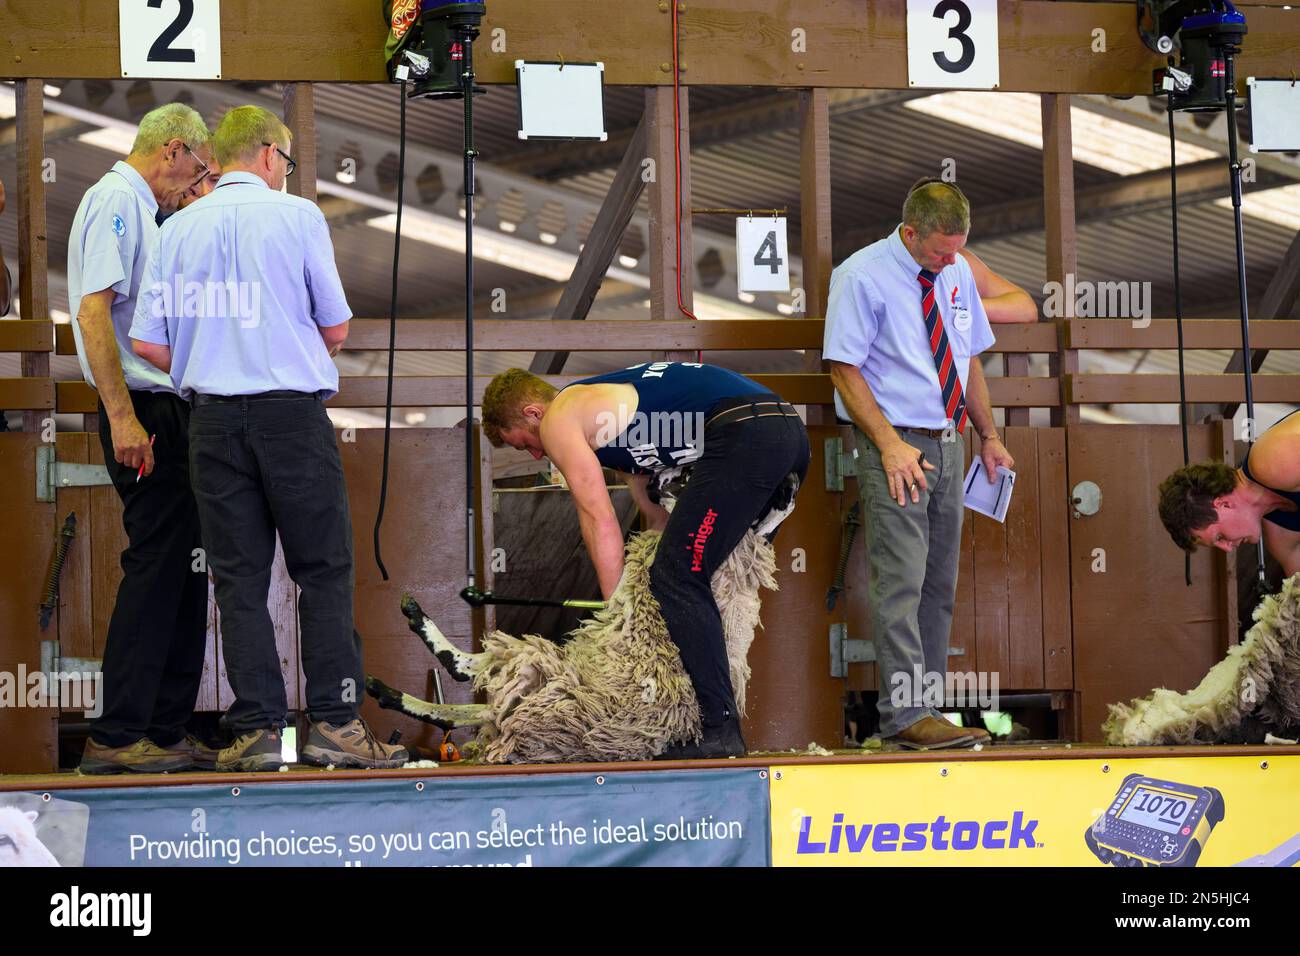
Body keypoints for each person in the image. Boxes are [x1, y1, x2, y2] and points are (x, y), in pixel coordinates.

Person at [130, 105, 406, 772]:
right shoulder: (299, 216)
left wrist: (210, 359)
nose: (285, 170)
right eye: (284, 160)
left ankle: (257, 732)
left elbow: (145, 342)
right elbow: (336, 330)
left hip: (213, 421)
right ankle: (336, 726)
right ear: (268, 155)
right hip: (289, 415)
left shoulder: (176, 228)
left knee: (239, 581)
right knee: (323, 571)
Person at [482, 361, 810, 758]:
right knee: (696, 576)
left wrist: (618, 615)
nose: (537, 454)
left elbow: (598, 518)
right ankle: (691, 717)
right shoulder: (615, 424)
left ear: (533, 414)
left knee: (676, 577)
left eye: (525, 443)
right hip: (784, 434)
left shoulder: (561, 418)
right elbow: (657, 520)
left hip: (746, 435)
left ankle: (721, 728)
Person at [824, 178, 1013, 751]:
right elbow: (843, 368)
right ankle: (903, 716)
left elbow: (968, 357)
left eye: (958, 248)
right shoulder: (860, 275)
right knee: (901, 582)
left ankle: (926, 708)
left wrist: (988, 433)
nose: (952, 260)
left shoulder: (955, 272)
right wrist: (886, 443)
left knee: (939, 585)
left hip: (949, 438)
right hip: (898, 442)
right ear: (909, 233)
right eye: (940, 251)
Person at [67, 103, 218, 774]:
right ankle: (117, 732)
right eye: (197, 172)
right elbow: (93, 311)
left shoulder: (148, 213)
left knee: (186, 571)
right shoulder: (114, 201)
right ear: (173, 150)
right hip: (143, 411)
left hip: (169, 407)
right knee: (158, 566)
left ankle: (163, 726)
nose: (194, 186)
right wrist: (122, 415)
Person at [1158, 411, 1300, 576]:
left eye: (1219, 537)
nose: (1227, 548)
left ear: (1222, 504)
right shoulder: (1281, 538)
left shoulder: (1270, 464)